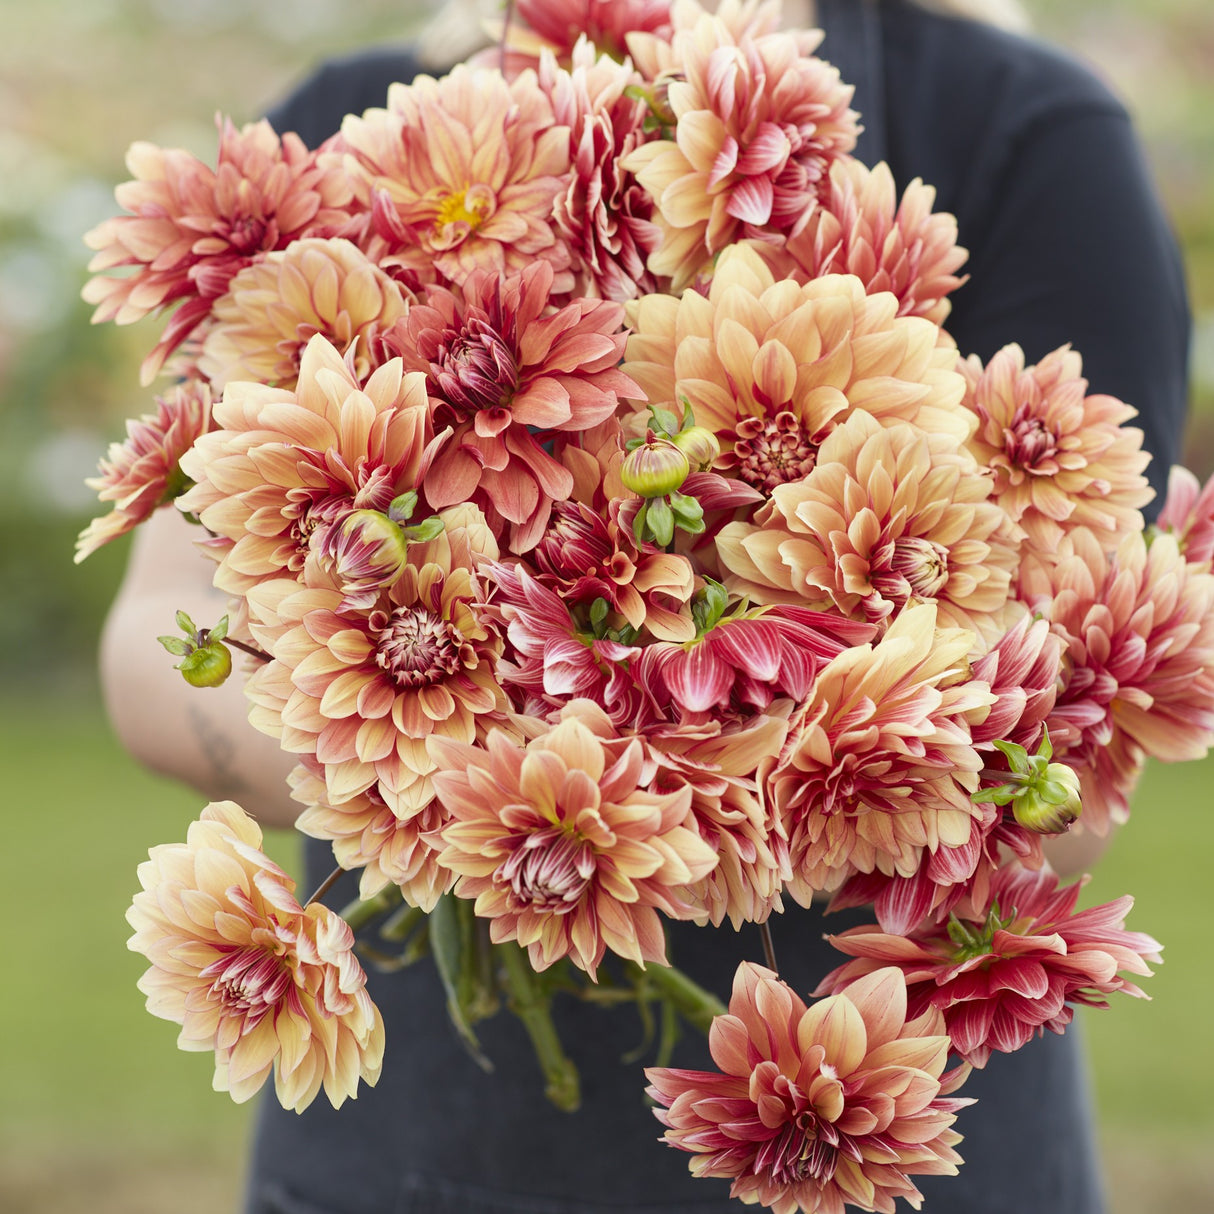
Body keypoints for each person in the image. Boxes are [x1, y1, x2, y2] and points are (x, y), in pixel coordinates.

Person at [100, 1, 1190, 1211]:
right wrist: (472, 803)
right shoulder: (335, 138)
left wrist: (614, 808)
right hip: (418, 1158)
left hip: (875, 1123)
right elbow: (157, 640)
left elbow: (1067, 776)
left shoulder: (1021, 127)